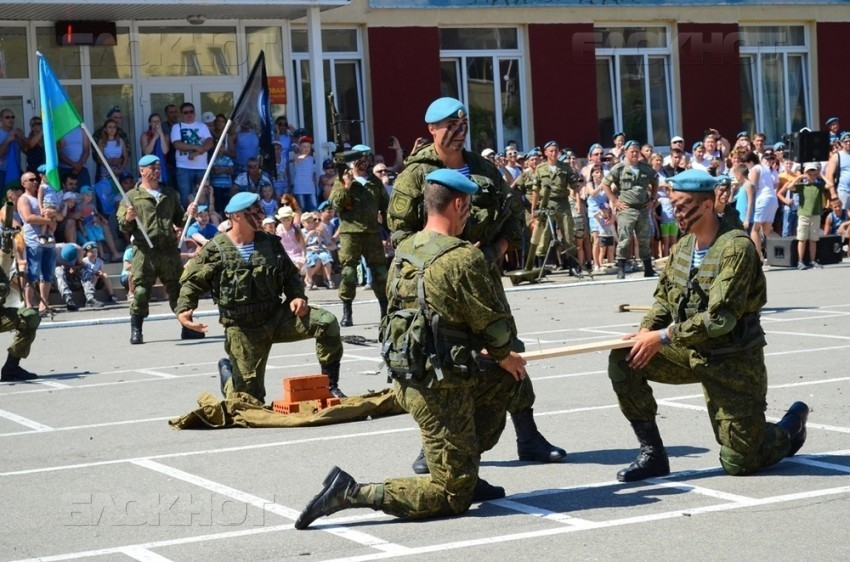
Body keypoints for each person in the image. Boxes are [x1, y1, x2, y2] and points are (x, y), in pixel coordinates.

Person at [295, 169, 527, 530]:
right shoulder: (462, 257)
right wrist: (505, 354)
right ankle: (352, 492)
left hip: (414, 376)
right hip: (441, 389)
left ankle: (463, 464)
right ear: (460, 204)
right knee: (453, 497)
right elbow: (495, 327)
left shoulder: (405, 249)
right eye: (469, 209)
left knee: (505, 380)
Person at [387, 96, 564, 473]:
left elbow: (515, 215)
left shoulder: (483, 169)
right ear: (431, 130)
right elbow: (400, 234)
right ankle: (432, 445)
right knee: (437, 357)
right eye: (449, 125)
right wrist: (444, 250)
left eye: (463, 125)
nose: (457, 132)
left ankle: (528, 435)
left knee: (506, 348)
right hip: (435, 282)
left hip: (481, 273)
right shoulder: (415, 176)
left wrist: (496, 250)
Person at [607, 168, 809, 482]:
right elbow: (664, 298)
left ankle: (789, 428)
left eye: (683, 204)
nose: (676, 211)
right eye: (673, 203)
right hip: (690, 351)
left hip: (733, 361)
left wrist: (661, 337)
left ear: (706, 205)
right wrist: (647, 331)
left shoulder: (736, 249)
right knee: (625, 357)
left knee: (739, 461)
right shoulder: (684, 247)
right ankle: (653, 455)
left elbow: (720, 318)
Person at [175, 191, 346, 401]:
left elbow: (290, 276)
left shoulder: (270, 243)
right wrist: (184, 310)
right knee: (249, 401)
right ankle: (229, 378)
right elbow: (191, 282)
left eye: (261, 210)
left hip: (276, 317)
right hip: (243, 328)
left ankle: (330, 385)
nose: (261, 215)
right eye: (254, 212)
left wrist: (296, 296)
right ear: (237, 216)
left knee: (326, 322)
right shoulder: (216, 249)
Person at [117, 154, 199, 344]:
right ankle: (136, 329)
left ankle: (188, 327)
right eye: (152, 168)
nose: (156, 171)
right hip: (145, 251)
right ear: (142, 171)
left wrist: (189, 214)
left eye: (158, 168)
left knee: (179, 290)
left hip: (169, 250)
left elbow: (180, 221)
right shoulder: (131, 197)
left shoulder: (169, 194)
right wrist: (128, 218)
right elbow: (122, 225)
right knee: (141, 292)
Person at [328, 144, 390, 326]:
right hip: (350, 233)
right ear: (353, 160)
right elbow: (337, 206)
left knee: (380, 273)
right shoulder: (342, 180)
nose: (364, 163)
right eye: (360, 159)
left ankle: (384, 311)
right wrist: (347, 186)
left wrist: (390, 230)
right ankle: (347, 311)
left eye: (367, 159)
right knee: (347, 273)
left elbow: (386, 207)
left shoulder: (374, 182)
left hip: (371, 233)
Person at [601, 140, 659, 279]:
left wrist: (652, 199)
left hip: (643, 209)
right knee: (625, 239)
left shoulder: (645, 168)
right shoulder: (619, 168)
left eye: (636, 151)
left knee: (644, 239)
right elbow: (605, 184)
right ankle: (621, 268)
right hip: (627, 209)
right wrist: (615, 201)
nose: (634, 154)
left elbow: (655, 181)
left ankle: (648, 268)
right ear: (626, 152)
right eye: (632, 151)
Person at [530, 140, 584, 274]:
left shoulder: (565, 167)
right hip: (546, 203)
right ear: (546, 153)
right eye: (551, 151)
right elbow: (536, 190)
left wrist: (578, 202)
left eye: (556, 151)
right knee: (544, 235)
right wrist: (534, 209)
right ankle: (540, 267)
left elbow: (575, 186)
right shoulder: (540, 168)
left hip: (563, 203)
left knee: (568, 233)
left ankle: (572, 265)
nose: (554, 153)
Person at [17, 170, 61, 316]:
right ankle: (29, 304)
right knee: (32, 273)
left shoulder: (40, 197)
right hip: (33, 241)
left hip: (48, 241)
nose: (35, 181)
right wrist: (48, 220)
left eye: (36, 179)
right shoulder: (24, 199)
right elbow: (28, 218)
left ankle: (43, 304)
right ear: (24, 183)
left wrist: (52, 217)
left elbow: (58, 215)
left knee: (47, 274)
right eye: (31, 180)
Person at [779, 163, 836, 269]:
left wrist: (821, 175)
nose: (812, 176)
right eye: (809, 173)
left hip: (815, 215)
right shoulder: (802, 187)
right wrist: (799, 177)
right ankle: (800, 261)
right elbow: (790, 187)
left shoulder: (819, 186)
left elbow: (830, 185)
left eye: (814, 174)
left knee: (813, 239)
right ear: (806, 174)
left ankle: (813, 260)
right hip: (804, 215)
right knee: (802, 239)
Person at [170, 102, 213, 207]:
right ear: (181, 114)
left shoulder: (202, 126)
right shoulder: (177, 127)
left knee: (204, 197)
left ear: (194, 112)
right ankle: (188, 221)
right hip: (183, 167)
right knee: (186, 198)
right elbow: (177, 144)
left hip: (202, 167)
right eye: (185, 112)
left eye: (191, 111)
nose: (189, 114)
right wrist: (196, 147)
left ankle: (204, 220)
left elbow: (210, 142)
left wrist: (196, 153)